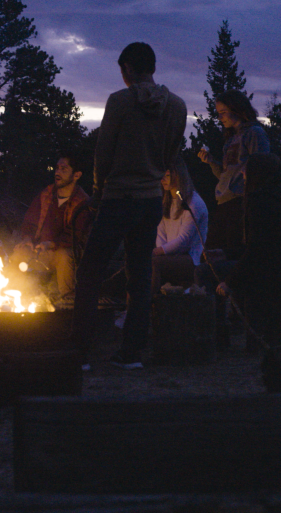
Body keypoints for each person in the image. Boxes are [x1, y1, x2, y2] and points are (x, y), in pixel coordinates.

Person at [72, 42, 187, 370]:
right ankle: (132, 354)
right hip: (150, 200)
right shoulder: (176, 106)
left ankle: (79, 353)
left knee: (90, 273)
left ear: (129, 69)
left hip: (118, 198)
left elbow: (103, 151)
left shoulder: (120, 102)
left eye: (123, 71)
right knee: (139, 278)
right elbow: (172, 152)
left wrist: (97, 191)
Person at [216, 153, 281, 354]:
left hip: (272, 276)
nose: (242, 173)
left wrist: (229, 282)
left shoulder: (260, 203)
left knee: (208, 273)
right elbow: (264, 244)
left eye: (246, 170)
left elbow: (257, 252)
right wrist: (225, 253)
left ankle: (217, 338)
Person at [197, 89, 269, 254]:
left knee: (232, 252)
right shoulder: (231, 139)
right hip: (225, 202)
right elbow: (225, 175)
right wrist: (211, 162)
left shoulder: (254, 133)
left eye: (223, 112)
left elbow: (263, 168)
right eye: (218, 113)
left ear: (238, 109)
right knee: (214, 252)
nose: (220, 117)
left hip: (241, 203)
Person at [10, 153, 92, 299]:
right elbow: (30, 221)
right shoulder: (46, 194)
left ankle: (68, 300)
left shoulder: (82, 202)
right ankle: (14, 297)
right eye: (57, 168)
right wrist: (27, 239)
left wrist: (52, 244)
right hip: (40, 250)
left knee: (63, 255)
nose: (58, 173)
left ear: (76, 175)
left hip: (66, 253)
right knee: (19, 253)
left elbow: (75, 235)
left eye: (64, 169)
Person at [152, 157, 208, 296]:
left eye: (167, 175)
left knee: (153, 263)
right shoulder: (166, 202)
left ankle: (149, 305)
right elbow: (161, 232)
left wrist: (159, 252)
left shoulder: (193, 203)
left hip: (191, 259)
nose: (163, 179)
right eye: (162, 175)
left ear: (179, 174)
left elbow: (184, 240)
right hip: (171, 256)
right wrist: (162, 251)